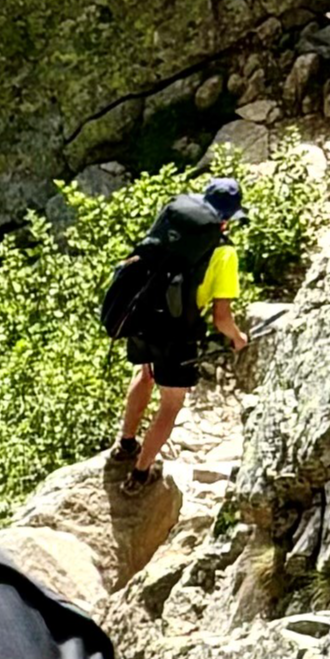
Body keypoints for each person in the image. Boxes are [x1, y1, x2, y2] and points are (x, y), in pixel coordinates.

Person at [107, 174, 249, 483]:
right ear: (227, 219)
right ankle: (141, 474)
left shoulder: (173, 226)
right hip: (177, 332)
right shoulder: (224, 253)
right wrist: (238, 339)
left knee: (144, 374)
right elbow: (221, 317)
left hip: (142, 314)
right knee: (171, 405)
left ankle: (125, 444)